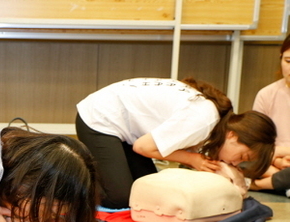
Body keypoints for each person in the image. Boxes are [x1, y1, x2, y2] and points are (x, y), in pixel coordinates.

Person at [75, 77, 276, 209]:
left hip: (129, 131)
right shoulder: (204, 120)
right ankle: (70, 183)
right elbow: (143, 148)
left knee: (145, 189)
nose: (234, 163)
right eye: (241, 157)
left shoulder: (212, 123)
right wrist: (192, 159)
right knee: (119, 198)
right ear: (232, 136)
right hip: (99, 118)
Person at [251, 33, 290, 194]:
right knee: (243, 159)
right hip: (271, 162)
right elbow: (254, 144)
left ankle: (259, 185)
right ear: (280, 58)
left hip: (278, 161)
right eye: (288, 61)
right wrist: (279, 160)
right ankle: (283, 182)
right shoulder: (266, 94)